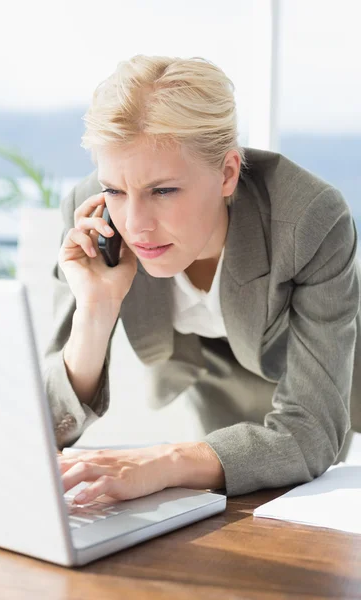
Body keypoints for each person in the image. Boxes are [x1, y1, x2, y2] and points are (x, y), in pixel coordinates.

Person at [44, 54, 361, 506]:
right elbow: (47, 426)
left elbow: (311, 430)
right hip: (209, 371)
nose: (135, 225)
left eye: (164, 190)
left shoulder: (310, 219)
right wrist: (94, 311)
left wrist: (163, 460)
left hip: (317, 358)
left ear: (228, 173)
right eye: (114, 189)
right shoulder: (91, 214)